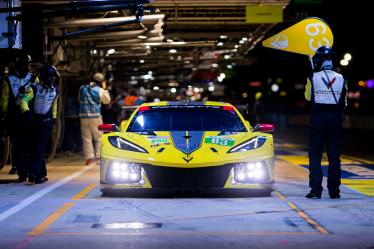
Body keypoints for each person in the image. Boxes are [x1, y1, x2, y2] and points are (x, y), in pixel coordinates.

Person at [304, 46, 347, 199]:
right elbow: (344, 102)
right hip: (335, 121)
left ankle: (316, 190)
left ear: (319, 60)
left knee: (315, 156)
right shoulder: (342, 78)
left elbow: (308, 98)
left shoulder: (312, 77)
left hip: (317, 120)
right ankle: (334, 191)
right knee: (334, 157)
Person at [20, 65, 60, 184]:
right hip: (34, 121)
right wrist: (26, 112)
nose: (52, 79)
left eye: (53, 77)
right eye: (50, 77)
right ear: (43, 77)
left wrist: (53, 118)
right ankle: (41, 174)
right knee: (34, 148)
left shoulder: (55, 91)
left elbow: (54, 106)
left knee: (39, 147)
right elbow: (24, 101)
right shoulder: (34, 88)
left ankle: (33, 173)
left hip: (46, 122)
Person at [0, 53, 36, 182]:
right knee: (25, 145)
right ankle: (27, 172)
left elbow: (4, 102)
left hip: (18, 116)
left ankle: (23, 173)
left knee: (19, 146)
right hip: (24, 116)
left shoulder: (9, 79)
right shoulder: (32, 78)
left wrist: (4, 114)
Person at [79, 73, 111, 165]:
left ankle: (89, 158)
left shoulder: (82, 88)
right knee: (99, 137)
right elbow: (107, 100)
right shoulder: (99, 90)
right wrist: (105, 89)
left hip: (83, 116)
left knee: (86, 138)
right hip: (95, 116)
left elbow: (79, 99)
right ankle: (98, 157)